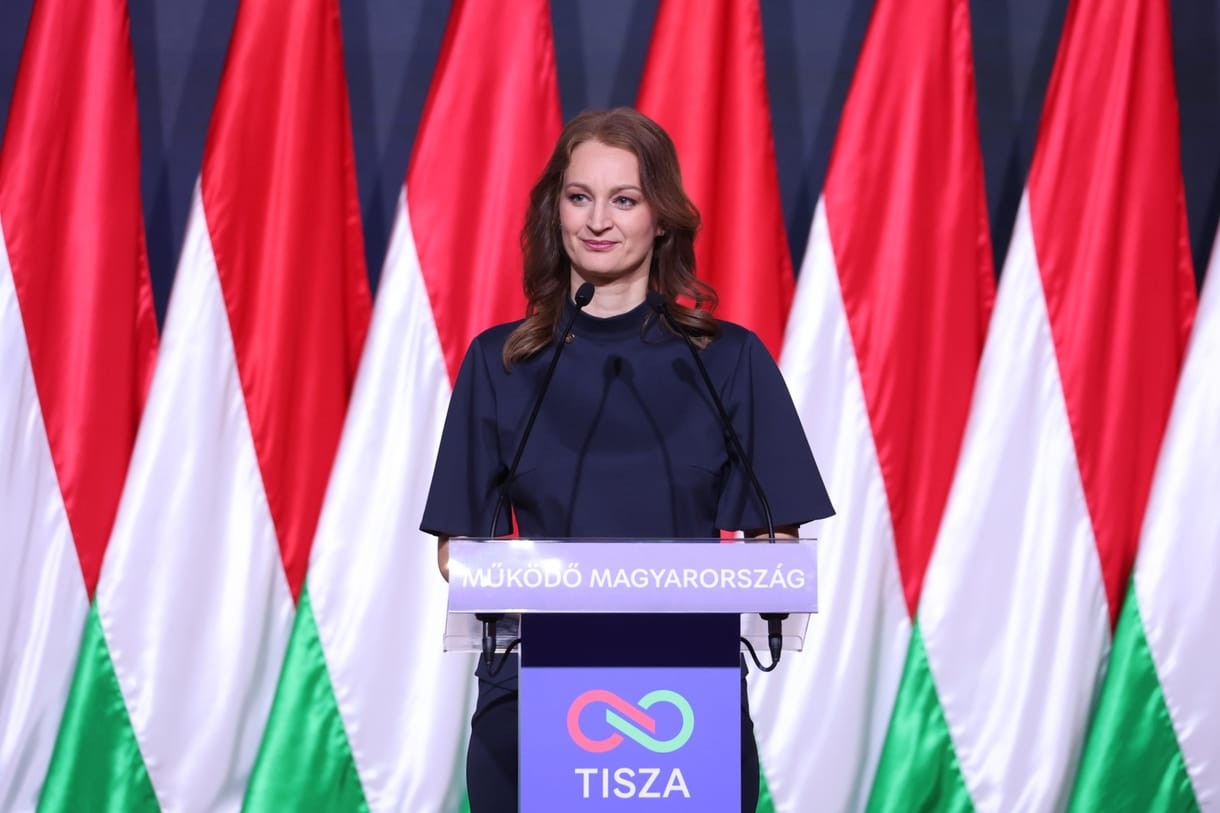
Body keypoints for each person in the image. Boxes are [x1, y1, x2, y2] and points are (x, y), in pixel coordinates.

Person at [420, 107, 833, 813]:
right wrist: (575, 581)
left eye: (624, 199)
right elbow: (459, 555)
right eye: (579, 197)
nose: (597, 221)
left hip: (682, 702)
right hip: (531, 695)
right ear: (555, 209)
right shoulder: (502, 363)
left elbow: (775, 551)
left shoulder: (726, 362)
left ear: (662, 217)